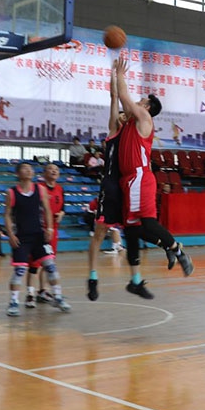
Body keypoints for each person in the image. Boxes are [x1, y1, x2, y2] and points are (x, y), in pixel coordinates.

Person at [114, 58, 194, 298]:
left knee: (147, 223)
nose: (138, 101)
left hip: (139, 178)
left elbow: (125, 97)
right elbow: (122, 103)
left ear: (147, 107)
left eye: (142, 101)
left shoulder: (145, 118)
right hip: (129, 180)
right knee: (131, 231)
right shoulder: (132, 120)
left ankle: (178, 251)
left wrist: (120, 74)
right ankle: (136, 280)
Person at [3, 162, 70, 316]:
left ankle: (58, 297)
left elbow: (47, 209)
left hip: (39, 235)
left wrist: (50, 228)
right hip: (21, 237)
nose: (29, 170)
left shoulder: (40, 189)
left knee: (50, 266)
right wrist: (10, 234)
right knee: (20, 270)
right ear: (18, 174)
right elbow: (7, 215)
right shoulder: (11, 192)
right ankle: (13, 302)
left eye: (30, 168)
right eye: (25, 168)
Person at [88, 67, 129, 301]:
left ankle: (135, 277)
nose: (121, 116)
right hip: (111, 186)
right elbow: (115, 97)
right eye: (119, 115)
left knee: (136, 228)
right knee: (100, 232)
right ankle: (93, 277)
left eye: (125, 115)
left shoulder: (135, 134)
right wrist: (115, 76)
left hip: (127, 188)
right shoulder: (114, 131)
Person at [25, 163, 65, 305]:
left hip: (53, 230)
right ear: (44, 173)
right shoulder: (38, 188)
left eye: (56, 169)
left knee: (49, 262)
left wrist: (61, 213)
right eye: (50, 169)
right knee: (34, 264)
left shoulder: (60, 189)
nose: (54, 171)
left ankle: (42, 291)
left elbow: (63, 207)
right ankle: (30, 294)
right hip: (39, 231)